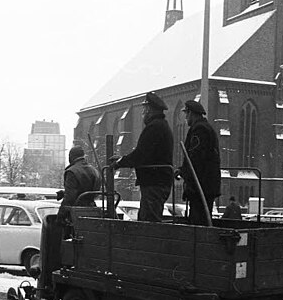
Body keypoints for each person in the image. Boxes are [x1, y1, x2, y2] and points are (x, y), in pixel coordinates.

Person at [111, 91, 174, 222]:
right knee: (147, 218)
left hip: (154, 182)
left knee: (149, 222)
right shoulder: (161, 126)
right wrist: (122, 159)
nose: (143, 113)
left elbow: (141, 154)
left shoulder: (154, 127)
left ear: (150, 110)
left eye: (144, 109)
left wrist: (119, 163)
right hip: (157, 180)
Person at [177, 100, 220, 226]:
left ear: (191, 113)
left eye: (186, 114)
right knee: (202, 219)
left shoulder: (199, 129)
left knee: (198, 222)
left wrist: (184, 172)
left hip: (201, 186)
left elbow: (196, 158)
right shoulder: (206, 127)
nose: (185, 118)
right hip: (206, 184)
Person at [56, 146, 101, 225]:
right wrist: (64, 193)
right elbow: (92, 192)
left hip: (76, 213)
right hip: (92, 211)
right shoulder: (94, 171)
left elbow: (70, 198)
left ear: (71, 157)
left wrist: (60, 216)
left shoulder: (72, 172)